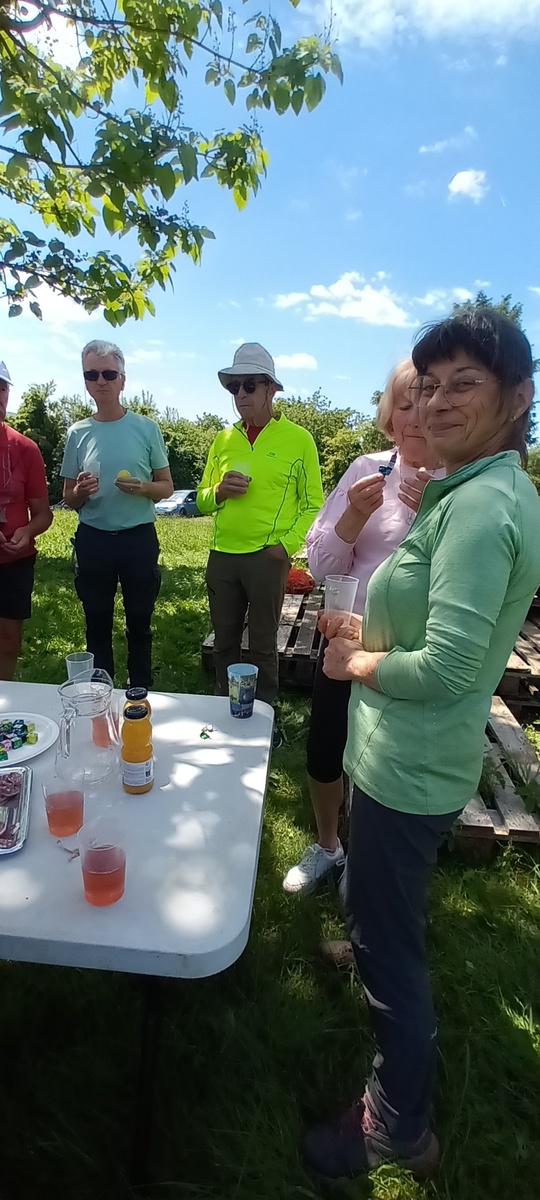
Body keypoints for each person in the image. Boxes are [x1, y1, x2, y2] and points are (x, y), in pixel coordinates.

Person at [303, 308, 540, 1183]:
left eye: (463, 383)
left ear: (517, 397)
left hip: (412, 765)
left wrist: (358, 660)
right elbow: (436, 626)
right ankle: (362, 938)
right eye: (428, 384)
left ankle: (397, 1126)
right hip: (399, 755)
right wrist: (366, 626)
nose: (436, 402)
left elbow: (447, 668)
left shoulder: (478, 506)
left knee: (393, 951)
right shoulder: (477, 489)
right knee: (377, 905)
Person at [283, 360, 443, 895]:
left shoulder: (459, 483)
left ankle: (368, 859)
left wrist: (432, 517)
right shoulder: (366, 469)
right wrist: (352, 517)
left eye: (427, 401)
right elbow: (321, 567)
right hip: (343, 640)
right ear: (389, 416)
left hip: (409, 650)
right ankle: (328, 845)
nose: (415, 416)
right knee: (326, 746)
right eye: (404, 404)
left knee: (386, 761)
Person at [196, 343, 324, 748]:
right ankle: (226, 712)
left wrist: (285, 546)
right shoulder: (223, 439)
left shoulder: (298, 439)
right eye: (233, 386)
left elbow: (314, 503)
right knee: (224, 641)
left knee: (264, 643)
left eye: (249, 385)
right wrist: (218, 491)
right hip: (223, 555)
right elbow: (201, 499)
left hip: (267, 558)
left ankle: (264, 719)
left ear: (271, 389)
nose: (241, 394)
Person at [61, 340, 173, 688]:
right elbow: (68, 497)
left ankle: (139, 690)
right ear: (85, 380)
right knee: (96, 621)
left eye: (109, 374)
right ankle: (100, 691)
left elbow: (167, 487)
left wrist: (143, 488)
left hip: (137, 538)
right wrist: (80, 492)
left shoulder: (146, 428)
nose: (101, 381)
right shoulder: (77, 433)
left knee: (139, 620)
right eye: (91, 374)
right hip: (94, 540)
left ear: (123, 380)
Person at [0, 360, 52, 680]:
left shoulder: (25, 448)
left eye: (2, 388)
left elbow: (44, 513)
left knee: (8, 641)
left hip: (14, 562)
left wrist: (28, 531)